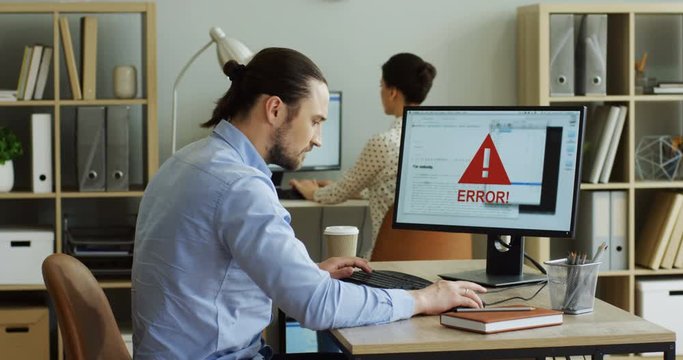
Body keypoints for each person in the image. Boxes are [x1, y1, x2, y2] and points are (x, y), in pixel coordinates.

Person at [132, 47, 484, 360]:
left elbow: (211, 272)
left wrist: (307, 273)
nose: (318, 139)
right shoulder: (241, 186)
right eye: (315, 121)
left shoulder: (185, 160)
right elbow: (316, 305)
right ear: (275, 109)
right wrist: (423, 299)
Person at [289, 53, 437, 259]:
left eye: (381, 86)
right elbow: (390, 192)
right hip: (436, 261)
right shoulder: (437, 141)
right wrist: (353, 189)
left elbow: (337, 194)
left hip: (388, 260)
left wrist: (312, 191)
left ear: (392, 92)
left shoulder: (384, 143)